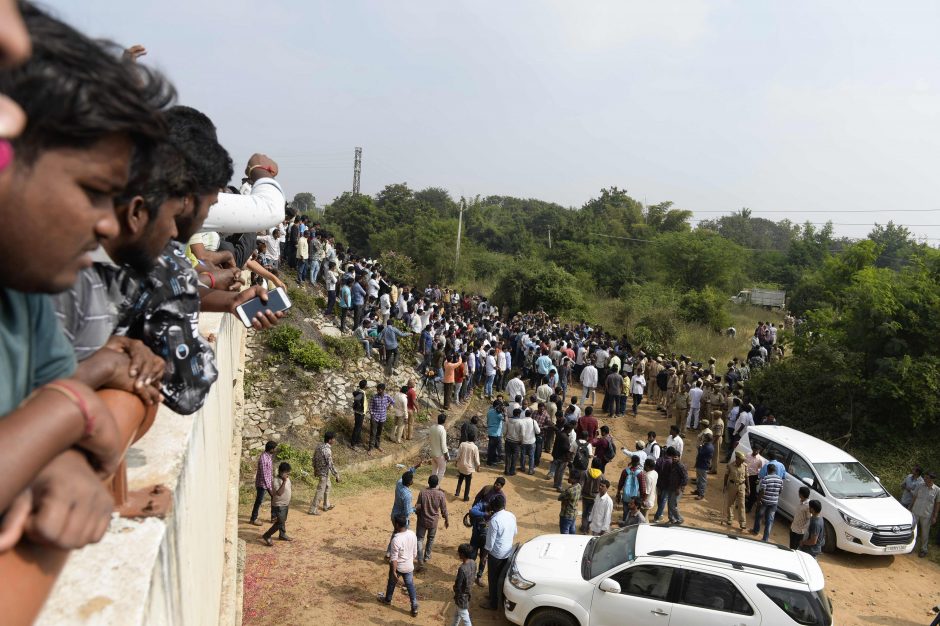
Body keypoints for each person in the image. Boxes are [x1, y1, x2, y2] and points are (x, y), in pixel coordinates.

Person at [479, 495, 516, 611]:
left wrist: (484, 556)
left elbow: (489, 543)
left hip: (496, 555)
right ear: (504, 505)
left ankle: (493, 603)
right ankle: (496, 597)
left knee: (493, 578)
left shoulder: (494, 520)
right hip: (508, 552)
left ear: (493, 507)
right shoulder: (511, 515)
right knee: (502, 577)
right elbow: (515, 532)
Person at [378, 515, 419, 618]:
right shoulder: (412, 534)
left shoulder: (396, 539)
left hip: (399, 566)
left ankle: (388, 599)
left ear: (396, 525)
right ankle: (414, 607)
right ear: (406, 523)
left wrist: (394, 571)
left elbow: (394, 559)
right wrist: (410, 562)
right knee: (410, 586)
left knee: (391, 583)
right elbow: (415, 552)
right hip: (409, 566)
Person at [414, 474, 449, 570]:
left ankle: (420, 559)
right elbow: (444, 509)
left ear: (428, 483)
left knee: (419, 539)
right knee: (431, 538)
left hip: (422, 520)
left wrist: (417, 513)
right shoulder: (441, 494)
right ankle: (427, 556)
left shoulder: (422, 493)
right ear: (437, 483)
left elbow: (418, 506)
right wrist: (446, 519)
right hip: (433, 521)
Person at [261, 462, 293, 546]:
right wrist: (284, 482)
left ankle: (282, 535)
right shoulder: (276, 480)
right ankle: (267, 535)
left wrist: (286, 480)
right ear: (281, 472)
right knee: (280, 522)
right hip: (279, 505)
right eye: (287, 472)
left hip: (285, 504)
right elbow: (279, 493)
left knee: (283, 520)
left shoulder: (287, 478)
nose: (288, 474)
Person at [309, 432, 340, 515]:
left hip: (321, 471)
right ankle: (313, 509)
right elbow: (330, 464)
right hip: (324, 473)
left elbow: (314, 459)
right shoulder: (327, 450)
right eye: (333, 439)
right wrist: (336, 475)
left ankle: (326, 505)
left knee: (328, 486)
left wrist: (315, 470)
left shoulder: (319, 446)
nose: (334, 440)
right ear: (330, 440)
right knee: (320, 490)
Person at [751, 463, 783, 542]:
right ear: (775, 470)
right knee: (769, 520)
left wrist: (758, 500)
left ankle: (756, 531)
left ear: (768, 470)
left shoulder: (766, 478)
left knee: (759, 516)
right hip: (774, 503)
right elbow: (780, 491)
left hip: (764, 501)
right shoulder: (780, 479)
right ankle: (765, 538)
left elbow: (762, 491)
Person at [911, 471, 940, 558]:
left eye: (927, 478)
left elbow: (937, 504)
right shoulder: (920, 485)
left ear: (931, 479)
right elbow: (914, 497)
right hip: (915, 512)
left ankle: (924, 550)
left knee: (925, 533)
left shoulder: (937, 490)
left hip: (926, 515)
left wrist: (935, 516)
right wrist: (909, 508)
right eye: (925, 477)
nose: (925, 479)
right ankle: (910, 546)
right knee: (912, 530)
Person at [250, 441, 277, 525]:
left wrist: (271, 483)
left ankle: (273, 517)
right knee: (259, 501)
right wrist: (270, 487)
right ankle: (253, 519)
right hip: (262, 484)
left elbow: (269, 472)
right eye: (275, 448)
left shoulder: (268, 456)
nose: (275, 450)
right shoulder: (263, 458)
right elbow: (265, 475)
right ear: (271, 449)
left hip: (268, 483)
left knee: (274, 498)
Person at [449, 543, 476, 626]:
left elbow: (458, 585)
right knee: (457, 614)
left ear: (462, 554)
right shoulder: (473, 562)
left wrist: (455, 589)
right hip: (468, 593)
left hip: (461, 597)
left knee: (465, 617)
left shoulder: (462, 569)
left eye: (459, 553)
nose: (458, 554)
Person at [723, 451, 749, 531]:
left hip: (742, 486)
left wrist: (748, 488)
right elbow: (726, 475)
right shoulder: (730, 466)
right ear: (737, 458)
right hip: (732, 486)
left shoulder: (745, 466)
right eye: (742, 459)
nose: (743, 461)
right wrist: (724, 486)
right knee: (731, 503)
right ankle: (730, 518)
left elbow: (747, 477)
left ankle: (742, 523)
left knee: (742, 504)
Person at [368, 382, 394, 452]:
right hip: (375, 417)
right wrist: (372, 414)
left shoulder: (387, 396)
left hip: (382, 418)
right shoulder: (374, 397)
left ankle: (377, 445)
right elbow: (370, 406)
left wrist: (389, 406)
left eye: (379, 390)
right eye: (377, 390)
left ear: (383, 390)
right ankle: (370, 448)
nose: (378, 391)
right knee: (373, 433)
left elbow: (393, 401)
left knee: (379, 433)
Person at [455, 434, 481, 501]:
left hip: (461, 465)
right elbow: (476, 459)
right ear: (474, 439)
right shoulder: (474, 447)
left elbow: (458, 455)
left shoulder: (462, 444)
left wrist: (456, 462)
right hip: (469, 468)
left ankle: (457, 492)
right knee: (468, 483)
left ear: (467, 437)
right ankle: (466, 497)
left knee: (460, 479)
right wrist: (478, 467)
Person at [744, 445, 767, 512]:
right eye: (754, 449)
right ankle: (742, 503)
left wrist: (758, 479)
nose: (756, 451)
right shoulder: (748, 454)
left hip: (753, 476)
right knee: (743, 489)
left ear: (759, 451)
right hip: (745, 474)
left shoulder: (760, 459)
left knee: (752, 492)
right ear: (752, 449)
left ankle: (749, 507)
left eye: (757, 450)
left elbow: (761, 470)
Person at [693, 433, 714, 500]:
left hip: (703, 466)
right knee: (699, 479)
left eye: (704, 437)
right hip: (700, 464)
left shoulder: (708, 447)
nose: (703, 438)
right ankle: (698, 491)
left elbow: (700, 452)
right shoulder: (708, 445)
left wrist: (700, 446)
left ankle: (701, 494)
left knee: (702, 480)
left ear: (707, 439)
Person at [430, 412, 449, 480]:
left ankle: (431, 485)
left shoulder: (432, 427)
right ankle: (436, 486)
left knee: (434, 470)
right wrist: (446, 455)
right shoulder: (442, 430)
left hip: (433, 453)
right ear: (444, 421)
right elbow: (443, 445)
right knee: (442, 470)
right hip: (440, 454)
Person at [485, 399, 504, 466]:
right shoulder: (498, 414)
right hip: (496, 433)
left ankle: (491, 461)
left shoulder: (489, 412)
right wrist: (504, 412)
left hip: (490, 432)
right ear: (497, 406)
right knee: (493, 449)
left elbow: (487, 421)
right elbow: (505, 419)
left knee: (491, 448)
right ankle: (490, 462)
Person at [350, 379, 367, 448]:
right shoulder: (361, 393)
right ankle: (353, 444)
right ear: (365, 386)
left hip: (360, 412)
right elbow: (357, 400)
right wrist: (360, 407)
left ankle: (357, 441)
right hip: (360, 413)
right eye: (367, 384)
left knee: (358, 427)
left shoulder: (360, 391)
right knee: (357, 428)